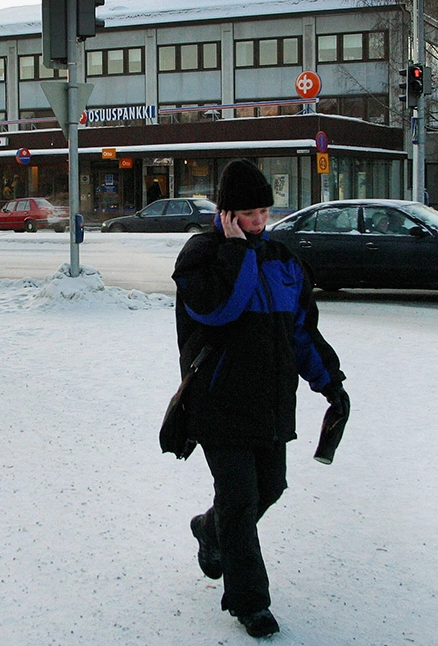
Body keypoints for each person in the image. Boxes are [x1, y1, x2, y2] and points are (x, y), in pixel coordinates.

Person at [171, 159, 350, 639]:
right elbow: (219, 310)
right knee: (241, 497)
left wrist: (331, 384)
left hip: (270, 403)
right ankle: (250, 602)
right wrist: (235, 252)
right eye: (248, 214)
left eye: (264, 213)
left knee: (270, 487)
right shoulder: (201, 257)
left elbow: (301, 334)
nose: (258, 223)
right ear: (227, 214)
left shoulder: (282, 260)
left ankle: (210, 530)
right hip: (218, 401)